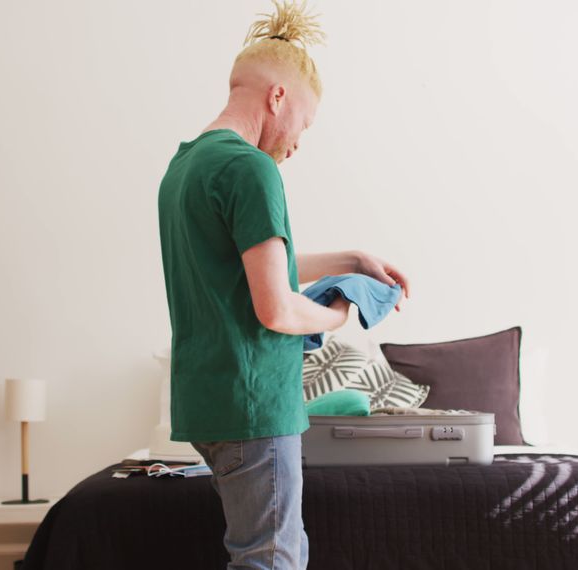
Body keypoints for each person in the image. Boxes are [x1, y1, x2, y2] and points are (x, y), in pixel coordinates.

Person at [156, 2, 410, 567]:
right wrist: (341, 314)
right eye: (304, 122)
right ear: (277, 98)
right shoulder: (251, 168)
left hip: (208, 403)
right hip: (255, 406)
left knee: (273, 549)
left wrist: (351, 258)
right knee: (271, 558)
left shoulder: (185, 168)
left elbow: (246, 268)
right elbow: (276, 308)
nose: (297, 142)